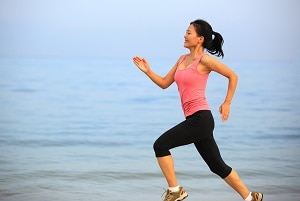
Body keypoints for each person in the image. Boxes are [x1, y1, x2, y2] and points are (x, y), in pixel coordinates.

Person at [132, 19, 263, 201]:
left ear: (200, 39)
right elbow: (164, 83)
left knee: (160, 145)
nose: (184, 36)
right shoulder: (182, 59)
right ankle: (250, 198)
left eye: (188, 32)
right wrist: (148, 71)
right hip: (195, 120)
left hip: (201, 118)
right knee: (217, 166)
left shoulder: (205, 60)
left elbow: (233, 76)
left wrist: (227, 102)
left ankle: (175, 191)